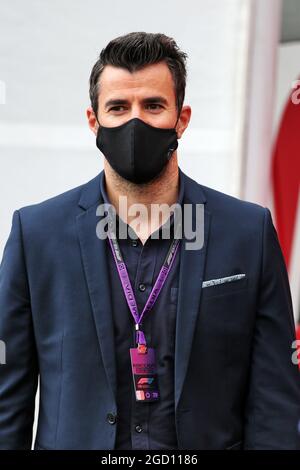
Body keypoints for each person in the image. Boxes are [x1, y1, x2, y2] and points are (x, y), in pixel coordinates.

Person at [0, 32, 299, 451]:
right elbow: (6, 401)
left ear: (182, 117)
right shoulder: (37, 236)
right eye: (118, 107)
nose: (134, 122)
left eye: (153, 106)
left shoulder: (247, 233)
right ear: (94, 120)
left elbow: (276, 403)